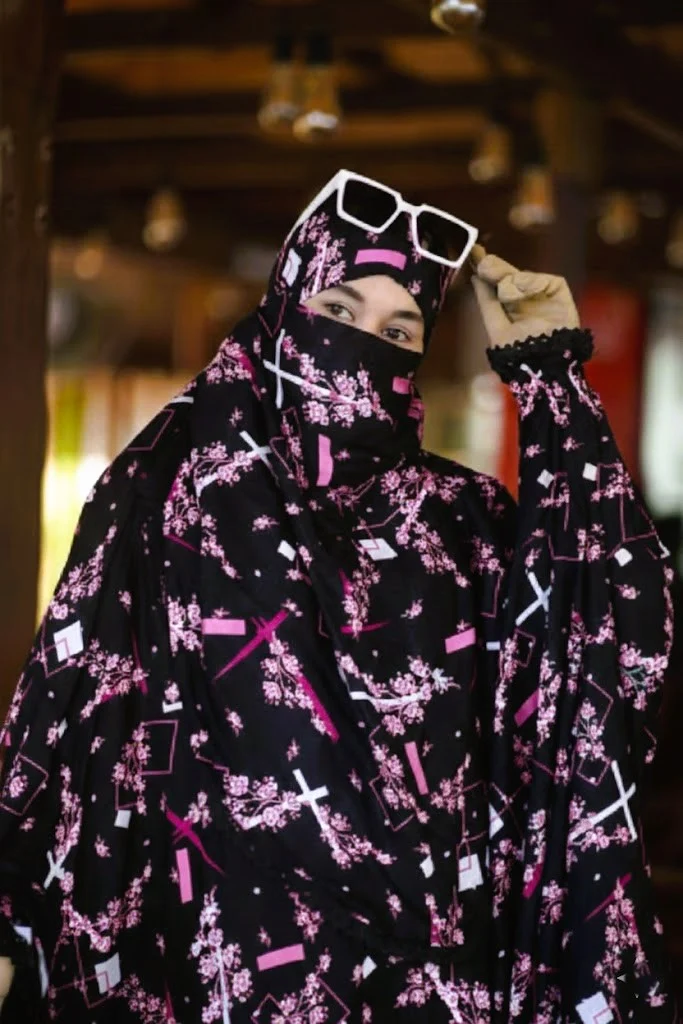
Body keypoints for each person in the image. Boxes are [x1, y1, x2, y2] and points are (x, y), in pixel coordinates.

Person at [0, 169, 675, 1022]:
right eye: (339, 309)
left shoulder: (461, 520)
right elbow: (68, 705)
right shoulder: (176, 494)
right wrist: (10, 905)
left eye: (398, 329)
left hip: (430, 975)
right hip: (219, 967)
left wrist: (548, 374)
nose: (364, 348)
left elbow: (609, 625)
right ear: (283, 312)